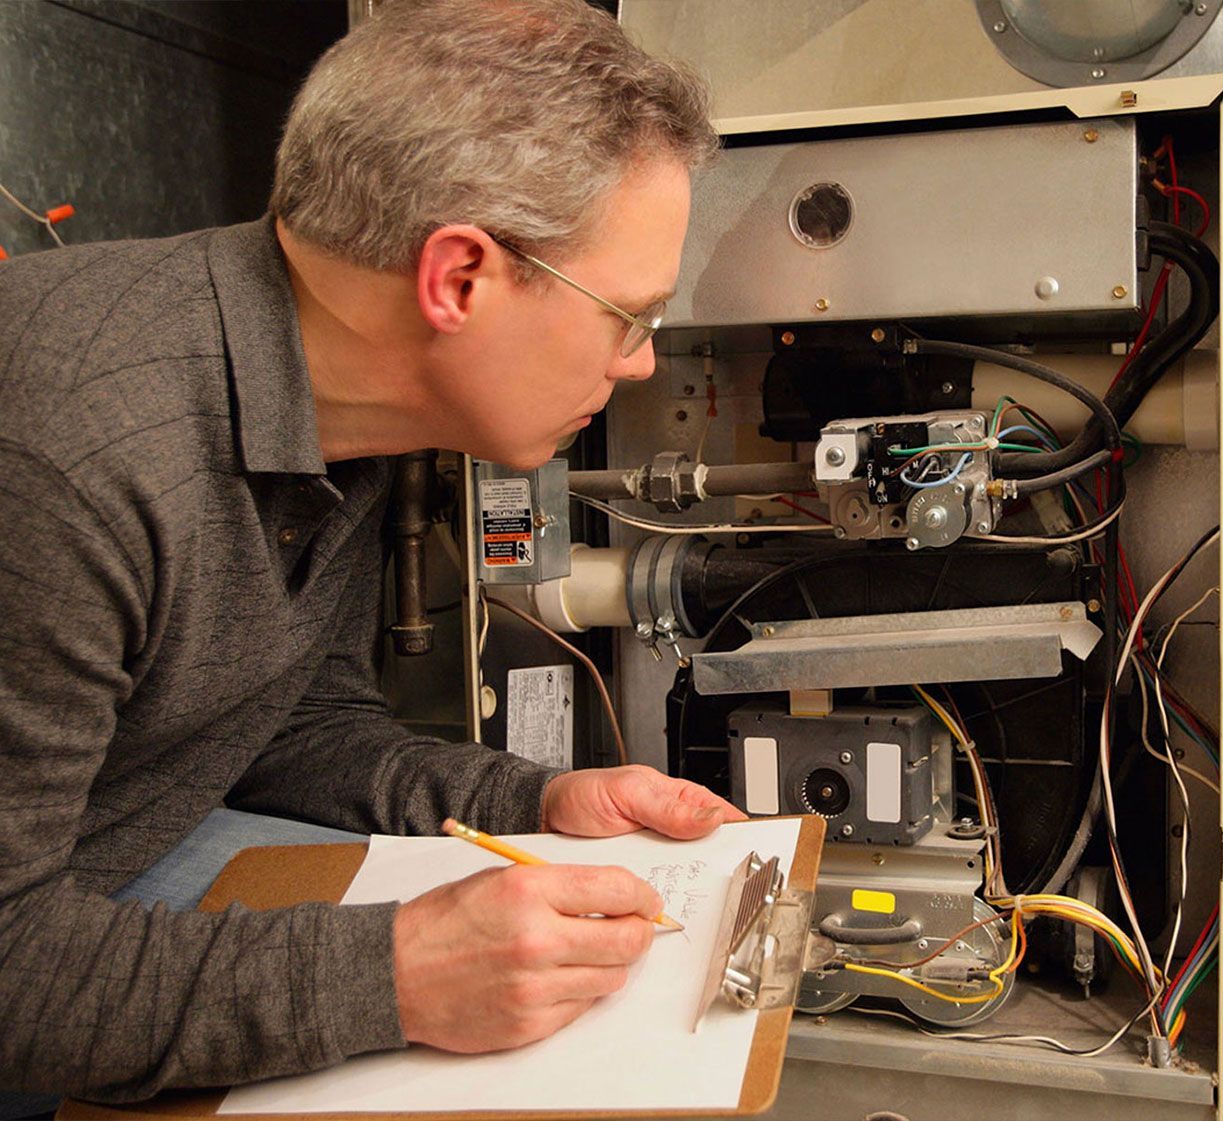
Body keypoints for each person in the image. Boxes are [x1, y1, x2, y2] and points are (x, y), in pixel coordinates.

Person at [0, 0, 743, 1109]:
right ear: (458, 280)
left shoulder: (352, 411)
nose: (639, 366)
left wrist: (530, 804)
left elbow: (283, 724)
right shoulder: (75, 461)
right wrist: (397, 976)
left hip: (103, 863)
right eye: (627, 316)